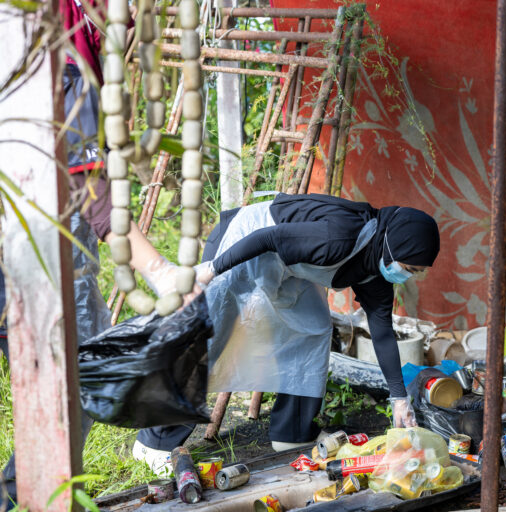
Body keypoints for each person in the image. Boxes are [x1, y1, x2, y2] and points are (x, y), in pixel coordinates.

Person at [1, 0, 194, 504]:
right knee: (78, 380)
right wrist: (161, 271)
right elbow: (95, 196)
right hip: (40, 247)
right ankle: (27, 494)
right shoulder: (67, 51)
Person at [132, 193, 441, 475]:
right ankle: (153, 443)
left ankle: (291, 432)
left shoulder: (376, 269)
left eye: (414, 271)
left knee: (313, 328)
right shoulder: (339, 236)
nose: (407, 275)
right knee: (209, 338)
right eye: (408, 267)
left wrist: (399, 398)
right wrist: (211, 269)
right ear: (391, 247)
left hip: (286, 263)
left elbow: (383, 333)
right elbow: (270, 236)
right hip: (245, 241)